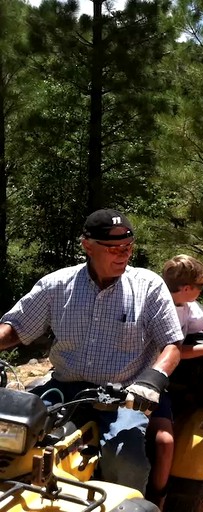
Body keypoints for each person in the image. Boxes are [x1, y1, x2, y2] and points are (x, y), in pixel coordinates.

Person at [0, 209, 184, 496]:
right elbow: (16, 328)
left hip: (125, 395)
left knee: (125, 457)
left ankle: (138, 503)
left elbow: (172, 345)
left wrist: (151, 380)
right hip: (65, 388)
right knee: (12, 433)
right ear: (88, 245)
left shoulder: (148, 286)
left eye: (128, 248)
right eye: (114, 249)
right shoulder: (57, 284)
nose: (123, 255)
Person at [148, 254, 203, 508]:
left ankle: (160, 495)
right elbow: (170, 351)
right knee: (165, 440)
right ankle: (158, 496)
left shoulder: (186, 305)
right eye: (199, 287)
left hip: (169, 377)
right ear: (187, 288)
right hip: (152, 376)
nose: (201, 291)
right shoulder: (159, 307)